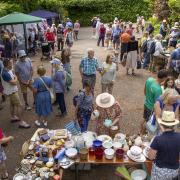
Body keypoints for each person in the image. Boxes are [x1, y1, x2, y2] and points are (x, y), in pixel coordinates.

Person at [148, 111, 180, 180]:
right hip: (174, 171)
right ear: (174, 125)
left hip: (160, 171)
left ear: (162, 124)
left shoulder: (158, 139)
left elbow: (150, 157)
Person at [1, 59, 30, 128]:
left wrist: (14, 76)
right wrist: (16, 78)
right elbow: (14, 82)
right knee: (20, 106)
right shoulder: (5, 73)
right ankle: (21, 122)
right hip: (12, 92)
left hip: (10, 91)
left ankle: (13, 117)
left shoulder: (8, 70)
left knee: (12, 104)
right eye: (11, 63)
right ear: (8, 64)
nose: (12, 64)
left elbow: (13, 75)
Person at [141, 69, 168, 134]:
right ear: (164, 78)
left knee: (144, 118)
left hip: (146, 104)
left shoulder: (149, 79)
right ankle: (142, 133)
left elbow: (144, 91)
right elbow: (157, 104)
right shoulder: (158, 90)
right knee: (148, 123)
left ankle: (141, 129)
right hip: (151, 108)